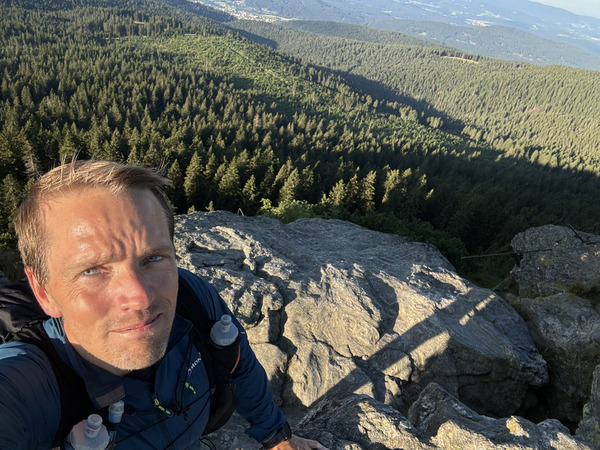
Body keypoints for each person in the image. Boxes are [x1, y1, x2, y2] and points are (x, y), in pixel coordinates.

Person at [0, 160, 328, 450]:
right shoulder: (31, 383)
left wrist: (276, 436)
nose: (140, 296)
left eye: (153, 257)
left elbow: (237, 361)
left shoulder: (193, 298)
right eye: (92, 270)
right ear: (44, 292)